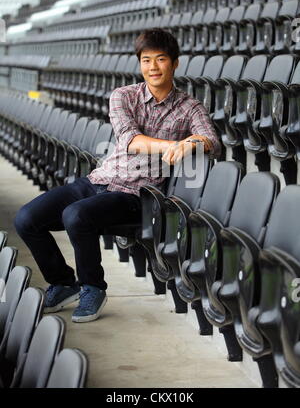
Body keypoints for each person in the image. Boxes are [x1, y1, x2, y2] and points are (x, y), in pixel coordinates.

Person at [14, 28, 221, 323]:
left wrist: (195, 141)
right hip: (100, 179)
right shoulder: (123, 96)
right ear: (140, 64)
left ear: (175, 63)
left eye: (160, 59)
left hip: (136, 194)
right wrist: (176, 145)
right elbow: (130, 140)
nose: (153, 67)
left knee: (76, 215)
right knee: (26, 219)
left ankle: (93, 288)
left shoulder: (190, 108)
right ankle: (62, 283)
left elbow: (213, 142)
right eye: (146, 60)